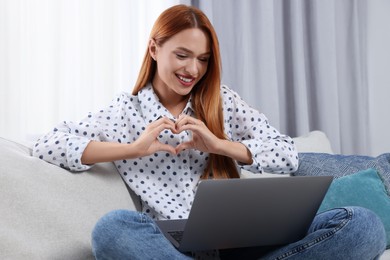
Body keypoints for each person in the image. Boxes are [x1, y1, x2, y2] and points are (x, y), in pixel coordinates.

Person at [33, 4, 386, 260]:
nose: (193, 69)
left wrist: (222, 145)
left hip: (243, 239)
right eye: (183, 55)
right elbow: (48, 145)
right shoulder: (124, 113)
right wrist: (135, 148)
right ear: (155, 48)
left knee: (362, 223)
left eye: (203, 59)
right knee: (112, 228)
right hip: (172, 244)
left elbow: (286, 153)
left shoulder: (223, 102)